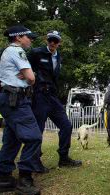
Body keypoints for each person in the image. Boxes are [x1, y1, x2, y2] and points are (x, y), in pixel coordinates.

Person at [0, 25, 41, 195]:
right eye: (29, 37)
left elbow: (27, 74)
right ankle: (25, 179)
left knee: (12, 138)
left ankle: (5, 178)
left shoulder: (8, 51)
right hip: (16, 99)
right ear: (18, 37)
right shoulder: (17, 51)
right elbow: (30, 78)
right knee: (33, 137)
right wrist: (32, 76)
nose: (31, 40)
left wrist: (29, 74)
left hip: (7, 98)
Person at [28, 30, 82, 171]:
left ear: (59, 43)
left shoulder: (58, 57)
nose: (52, 43)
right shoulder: (36, 52)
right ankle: (34, 161)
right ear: (47, 40)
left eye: (55, 41)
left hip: (52, 95)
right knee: (38, 129)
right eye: (50, 40)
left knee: (66, 125)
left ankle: (63, 158)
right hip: (39, 95)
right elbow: (25, 68)